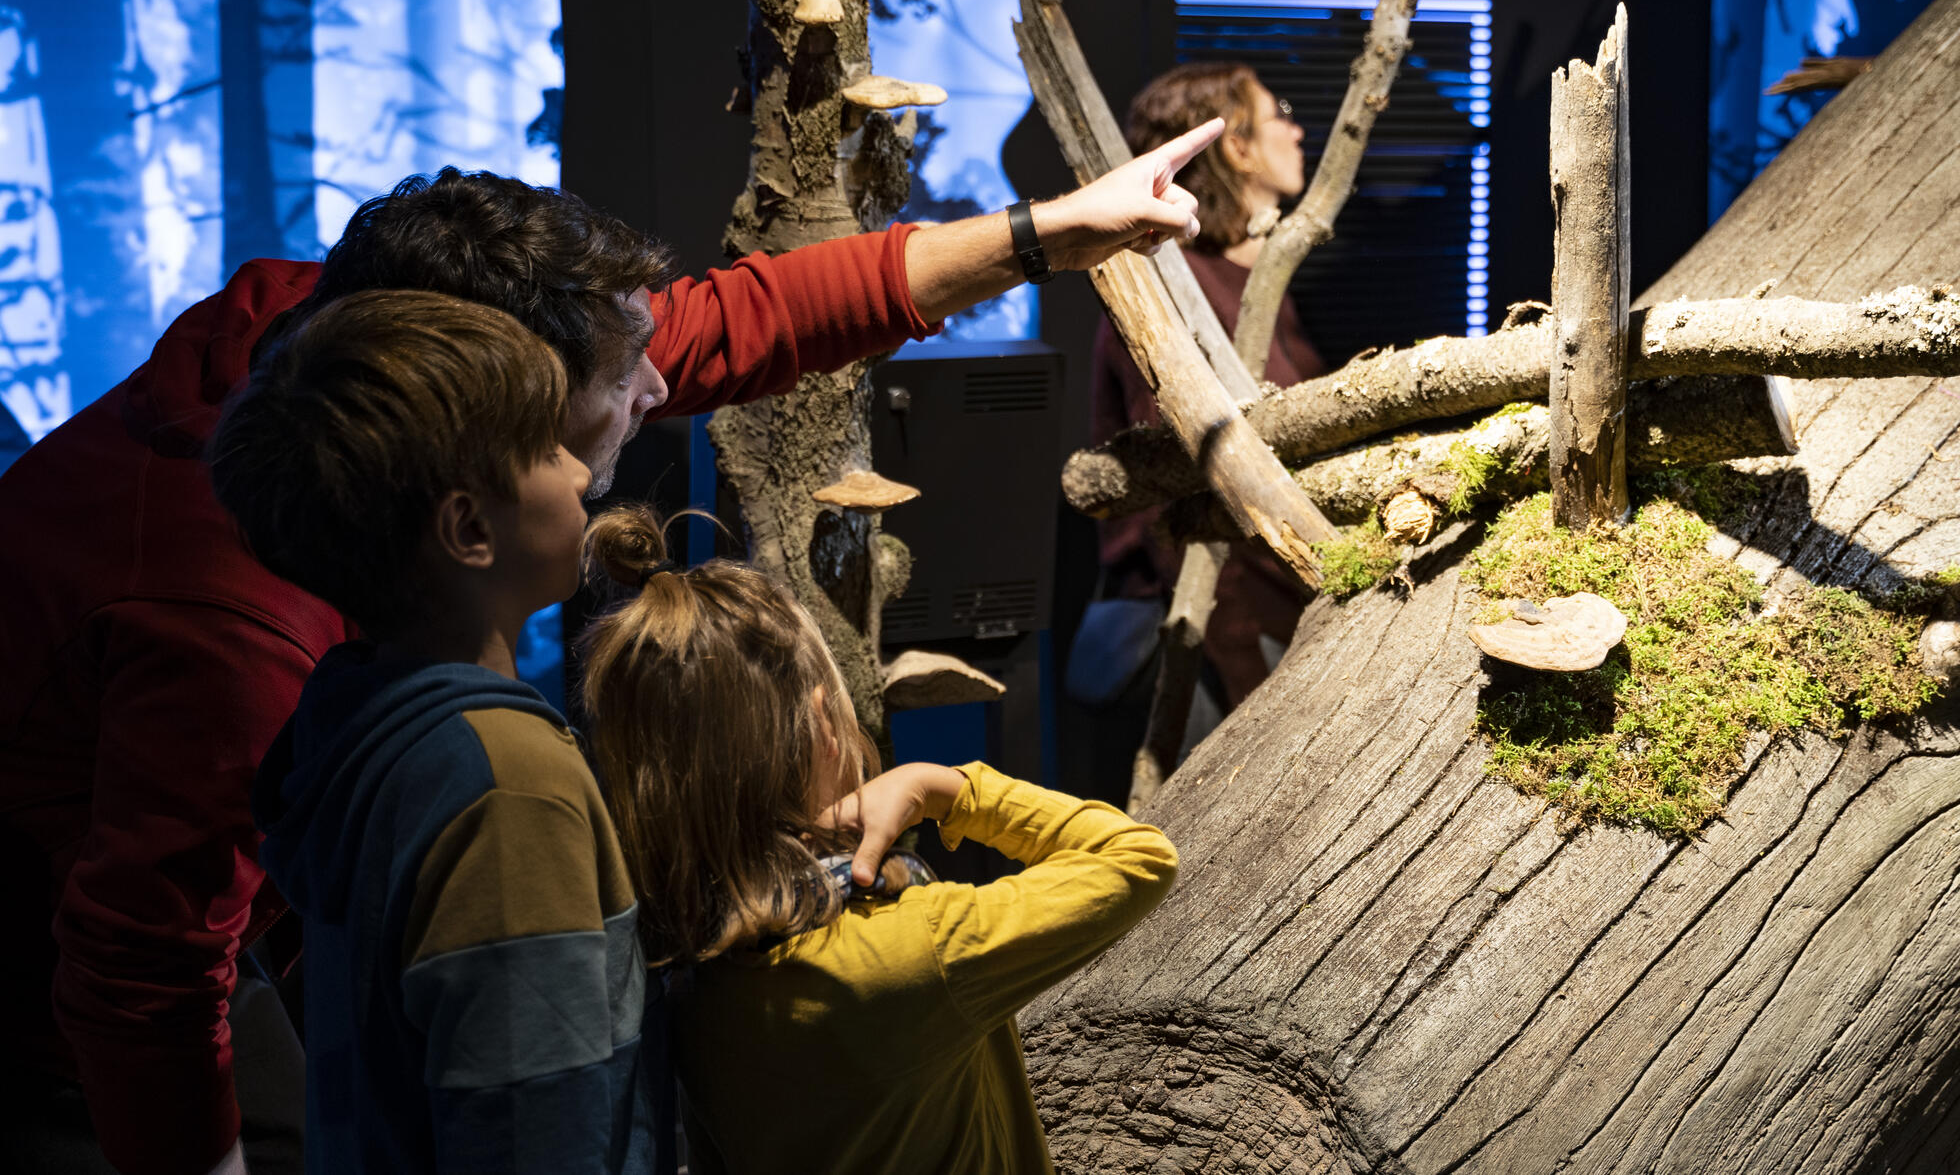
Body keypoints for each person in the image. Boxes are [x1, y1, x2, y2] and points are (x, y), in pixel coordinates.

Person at [0, 121, 1219, 1175]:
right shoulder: (242, 638)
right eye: (610, 388)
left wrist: (1054, 230)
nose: (657, 390)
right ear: (475, 468)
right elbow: (141, 970)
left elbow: (731, 322)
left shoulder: (357, 375)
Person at [578, 506, 1178, 1175]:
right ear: (821, 724)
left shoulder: (693, 979)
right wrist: (946, 786)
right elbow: (1140, 858)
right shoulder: (919, 947)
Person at [210, 290, 638, 1173]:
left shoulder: (359, 719)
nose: (574, 469)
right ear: (470, 527)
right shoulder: (508, 785)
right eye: (546, 446)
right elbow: (530, 1133)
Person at [1087, 63, 1327, 716]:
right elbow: (1177, 504)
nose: (1299, 130)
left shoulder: (1257, 287)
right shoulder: (1173, 289)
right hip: (1208, 645)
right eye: (1279, 113)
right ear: (1236, 146)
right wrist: (1248, 672)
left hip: (1277, 617)